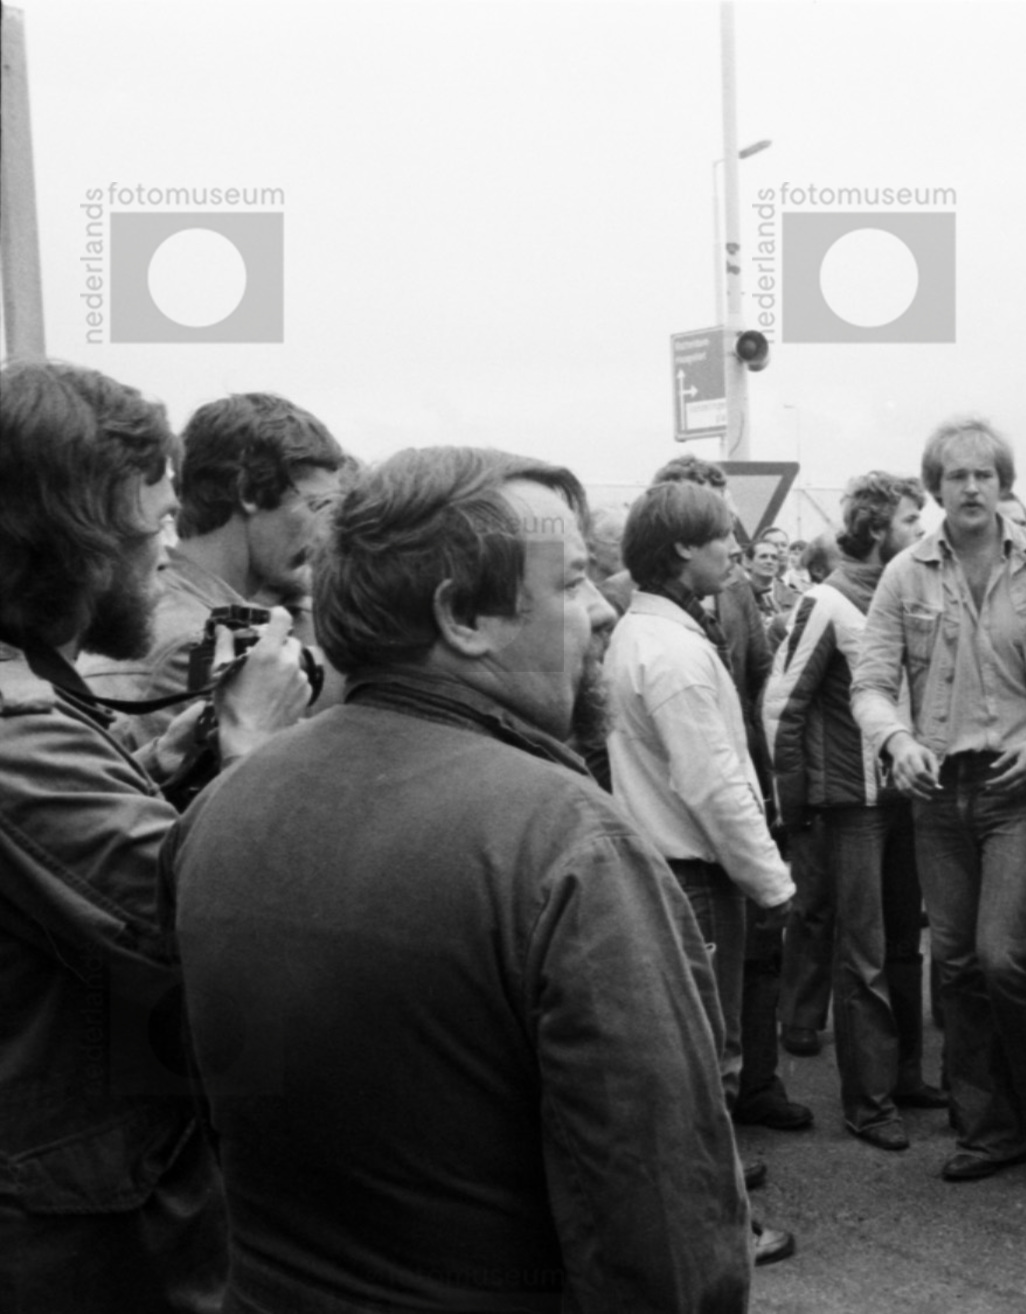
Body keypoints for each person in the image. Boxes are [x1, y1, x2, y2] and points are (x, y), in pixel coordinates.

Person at [167, 447, 753, 1308]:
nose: (602, 609)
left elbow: (201, 1135)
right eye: (571, 583)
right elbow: (663, 1238)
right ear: (462, 616)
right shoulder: (568, 846)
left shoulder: (215, 811)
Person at [0, 360, 312, 1312]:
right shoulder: (16, 732)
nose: (167, 548)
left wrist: (166, 765)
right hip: (76, 1232)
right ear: (76, 533)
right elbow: (203, 930)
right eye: (157, 521)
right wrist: (254, 748)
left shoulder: (31, 699)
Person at [852, 415, 1026, 1183]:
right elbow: (871, 682)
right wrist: (897, 742)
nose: (972, 487)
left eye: (985, 473)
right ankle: (989, 1128)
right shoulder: (905, 574)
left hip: (1019, 789)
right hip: (937, 794)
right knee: (954, 966)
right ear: (937, 488)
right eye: (957, 475)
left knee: (1005, 955)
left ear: (1003, 482)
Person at [764, 471, 947, 1152]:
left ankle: (904, 1078)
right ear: (874, 529)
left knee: (903, 946)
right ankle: (867, 1102)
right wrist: (797, 810)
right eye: (909, 520)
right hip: (852, 805)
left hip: (905, 795)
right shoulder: (826, 599)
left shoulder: (906, 591)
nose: (921, 530)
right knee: (863, 954)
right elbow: (780, 705)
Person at [650, 456, 805, 1133]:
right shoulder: (634, 604)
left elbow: (760, 684)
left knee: (760, 943)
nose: (729, 535)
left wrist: (770, 785)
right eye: (711, 518)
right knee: (702, 958)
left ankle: (759, 1084)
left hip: (745, 783)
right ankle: (713, 1114)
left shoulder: (737, 591)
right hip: (682, 808)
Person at [80, 391, 346, 747]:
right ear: (249, 492)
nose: (324, 532)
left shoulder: (211, 615)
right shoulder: (186, 642)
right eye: (316, 505)